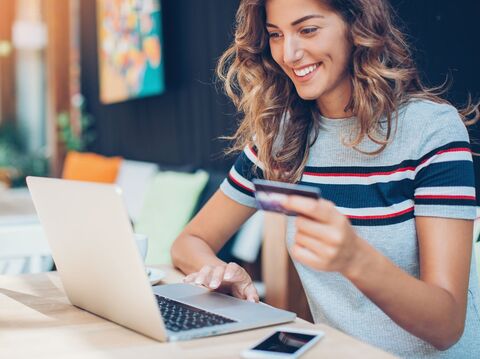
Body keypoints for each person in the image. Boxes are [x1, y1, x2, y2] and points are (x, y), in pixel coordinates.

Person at [171, 0, 480, 357]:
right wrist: (219, 272)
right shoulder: (281, 142)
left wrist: (355, 259)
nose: (289, 53)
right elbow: (189, 241)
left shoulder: (430, 131)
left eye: (308, 30)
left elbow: (447, 325)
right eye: (275, 35)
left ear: (357, 26)